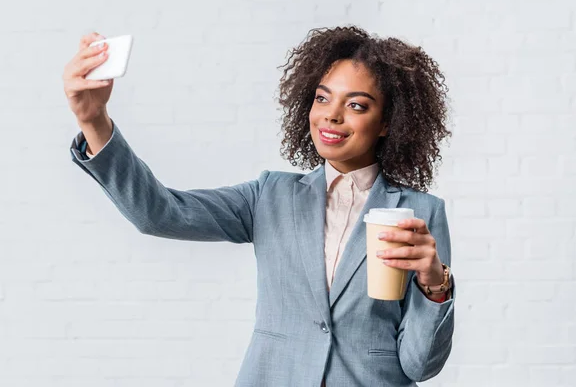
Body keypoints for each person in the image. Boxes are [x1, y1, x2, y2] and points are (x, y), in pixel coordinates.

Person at [63, 25, 455, 387]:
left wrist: (434, 285)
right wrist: (94, 120)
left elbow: (420, 365)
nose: (331, 115)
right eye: (322, 98)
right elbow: (158, 213)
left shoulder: (421, 213)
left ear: (387, 122)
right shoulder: (270, 196)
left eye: (357, 105)